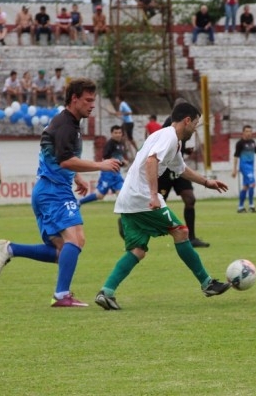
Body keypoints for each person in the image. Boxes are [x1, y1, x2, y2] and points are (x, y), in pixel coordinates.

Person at [0, 78, 121, 307]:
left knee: (63, 249)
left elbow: (60, 157)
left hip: (52, 190)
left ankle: (11, 249)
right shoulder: (65, 125)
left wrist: (77, 176)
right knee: (76, 239)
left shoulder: (69, 123)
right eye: (88, 100)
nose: (92, 105)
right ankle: (62, 295)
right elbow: (64, 161)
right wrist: (99, 165)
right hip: (52, 192)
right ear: (74, 99)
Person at [94, 101, 231, 311]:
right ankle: (207, 283)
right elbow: (151, 161)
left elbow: (181, 168)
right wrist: (153, 195)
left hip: (128, 198)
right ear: (187, 121)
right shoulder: (168, 136)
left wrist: (206, 182)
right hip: (142, 197)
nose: (195, 129)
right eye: (195, 124)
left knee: (138, 250)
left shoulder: (169, 139)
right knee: (181, 232)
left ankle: (107, 292)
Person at [156, 112, 210, 248]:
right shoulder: (170, 123)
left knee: (190, 199)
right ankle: (131, 224)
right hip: (165, 170)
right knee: (154, 205)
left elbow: (177, 147)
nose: (195, 125)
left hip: (178, 168)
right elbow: (163, 147)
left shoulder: (187, 127)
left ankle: (191, 238)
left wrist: (185, 151)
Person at [78, 125, 126, 205]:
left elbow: (119, 158)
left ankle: (123, 216)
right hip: (108, 173)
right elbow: (105, 158)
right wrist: (118, 161)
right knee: (100, 195)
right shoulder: (110, 144)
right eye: (116, 133)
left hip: (116, 172)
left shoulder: (121, 144)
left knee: (121, 194)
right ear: (112, 134)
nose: (118, 134)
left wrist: (123, 161)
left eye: (119, 132)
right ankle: (79, 201)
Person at [232, 125, 256, 213]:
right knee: (252, 184)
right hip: (244, 166)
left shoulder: (252, 142)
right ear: (243, 132)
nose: (249, 133)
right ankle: (251, 206)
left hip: (251, 167)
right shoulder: (240, 143)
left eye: (250, 131)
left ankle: (240, 207)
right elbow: (236, 157)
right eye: (247, 131)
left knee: (246, 187)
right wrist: (234, 169)